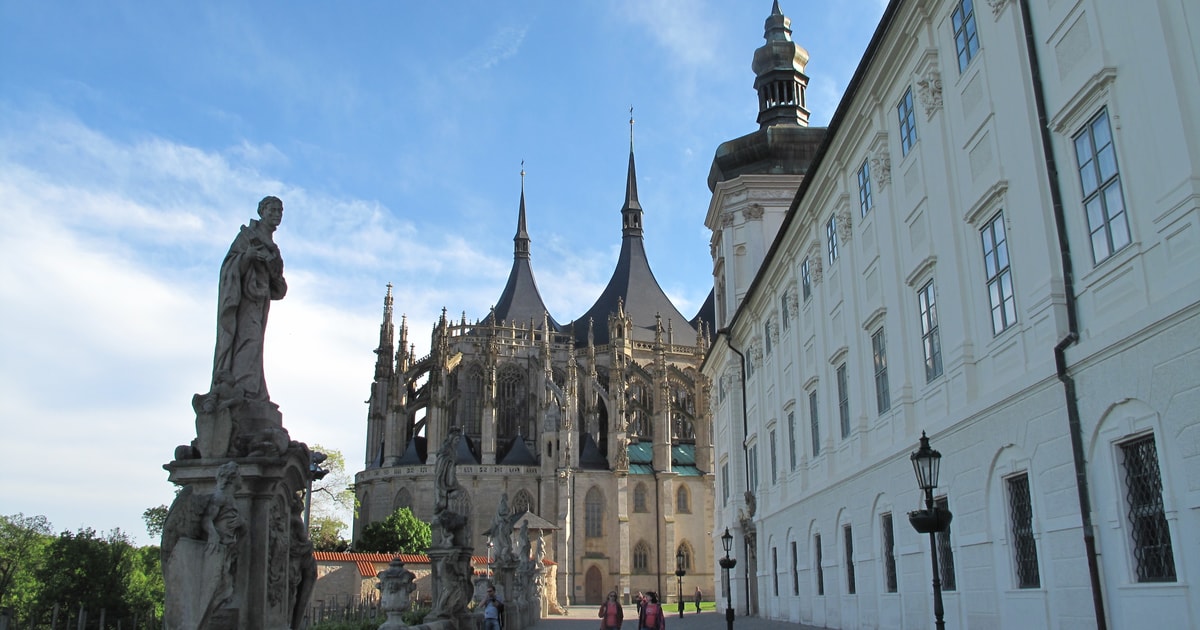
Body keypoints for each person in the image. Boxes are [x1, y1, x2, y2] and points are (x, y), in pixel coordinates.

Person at [211, 195, 287, 403]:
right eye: (272, 210)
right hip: (243, 301)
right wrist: (248, 256)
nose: (277, 215)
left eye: (280, 211)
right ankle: (242, 390)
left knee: (254, 344)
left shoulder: (273, 249)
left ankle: (250, 391)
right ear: (262, 212)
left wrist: (271, 268)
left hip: (260, 303)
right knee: (247, 340)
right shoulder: (246, 237)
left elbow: (279, 289)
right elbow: (228, 268)